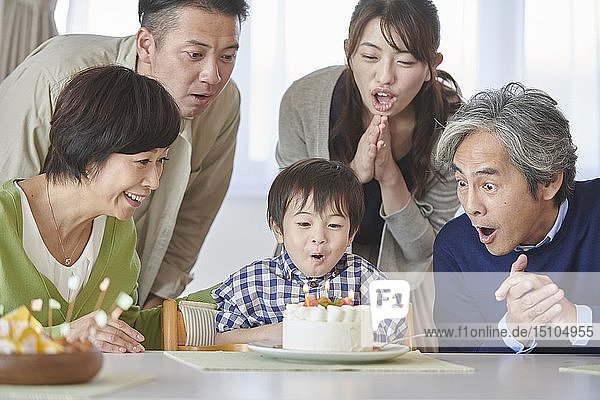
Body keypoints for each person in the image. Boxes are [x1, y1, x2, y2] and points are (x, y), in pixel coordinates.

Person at [0, 0, 250, 309]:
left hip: (112, 294)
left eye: (227, 57)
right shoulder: (57, 75)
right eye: (195, 55)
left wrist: (159, 308)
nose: (213, 76)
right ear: (146, 44)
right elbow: (9, 190)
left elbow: (195, 213)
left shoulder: (222, 104)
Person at [276, 0, 461, 348]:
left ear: (430, 67)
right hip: (305, 282)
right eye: (370, 56)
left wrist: (389, 175)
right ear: (348, 52)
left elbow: (424, 249)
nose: (385, 76)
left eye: (405, 61)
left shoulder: (452, 128)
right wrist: (352, 174)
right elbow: (289, 220)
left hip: (401, 292)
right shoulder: (303, 100)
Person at [0, 65, 184, 352]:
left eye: (162, 161)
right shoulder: (4, 218)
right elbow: (76, 335)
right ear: (88, 153)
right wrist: (59, 336)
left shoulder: (118, 229)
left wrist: (232, 297)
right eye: (143, 161)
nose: (155, 181)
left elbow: (128, 331)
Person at [433, 82, 600, 353]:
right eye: (462, 182)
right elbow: (459, 364)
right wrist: (513, 331)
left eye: (489, 186)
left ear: (548, 181)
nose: (471, 206)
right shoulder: (455, 245)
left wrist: (575, 320)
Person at [211, 158, 405, 344]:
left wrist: (342, 331)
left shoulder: (364, 278)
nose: (319, 237)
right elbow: (219, 338)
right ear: (278, 229)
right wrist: (275, 332)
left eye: (334, 225)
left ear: (351, 234)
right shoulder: (254, 282)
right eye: (304, 223)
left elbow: (396, 334)